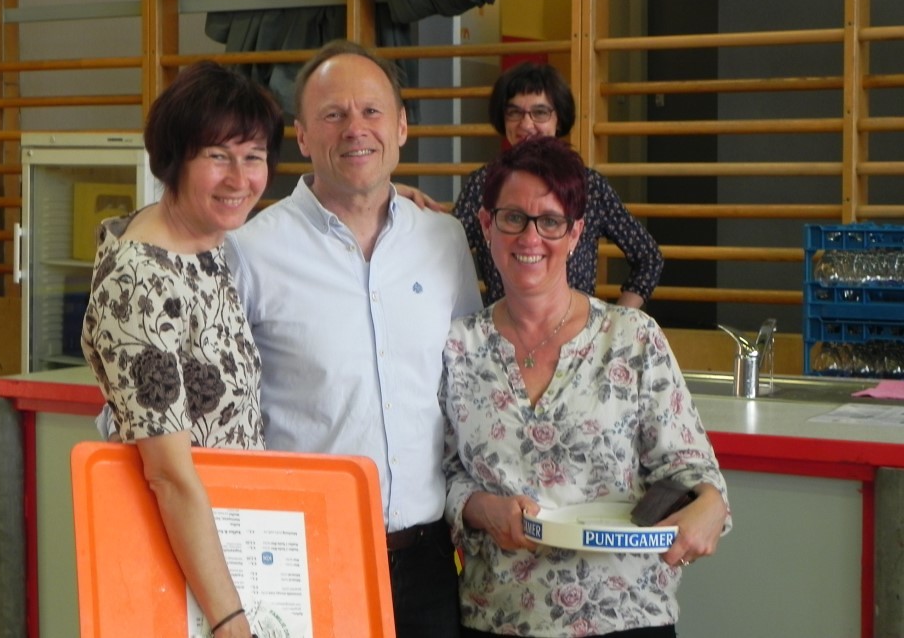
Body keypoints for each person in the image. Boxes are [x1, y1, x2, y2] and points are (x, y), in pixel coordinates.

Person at [226, 40, 483, 638]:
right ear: (302, 135)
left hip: (426, 562)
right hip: (303, 561)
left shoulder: (444, 240)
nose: (355, 129)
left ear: (401, 127)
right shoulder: (249, 252)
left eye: (371, 111)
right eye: (333, 114)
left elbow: (470, 389)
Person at [440, 136, 730, 638]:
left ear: (575, 233)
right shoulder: (458, 346)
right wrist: (480, 508)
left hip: (628, 616)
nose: (530, 237)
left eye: (550, 221)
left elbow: (692, 470)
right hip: (497, 617)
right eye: (513, 218)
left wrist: (709, 504)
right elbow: (440, 474)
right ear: (486, 226)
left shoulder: (632, 337)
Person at [81, 61, 284, 638]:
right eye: (218, 156)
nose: (240, 178)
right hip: (178, 567)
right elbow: (169, 476)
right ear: (174, 159)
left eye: (254, 157)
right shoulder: (140, 281)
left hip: (231, 545)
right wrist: (230, 620)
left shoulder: (205, 241)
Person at [452, 61, 664, 307]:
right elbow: (444, 252)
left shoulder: (589, 186)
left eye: (540, 112)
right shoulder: (483, 184)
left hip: (576, 326)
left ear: (559, 119)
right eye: (514, 112)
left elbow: (649, 257)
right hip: (503, 326)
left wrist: (617, 320)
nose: (526, 124)